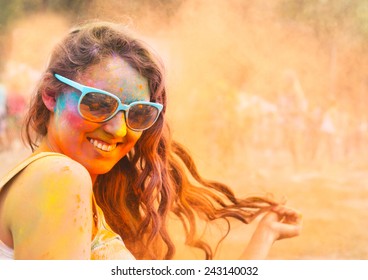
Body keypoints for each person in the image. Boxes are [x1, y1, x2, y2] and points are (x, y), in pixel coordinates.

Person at [0, 21, 302, 260]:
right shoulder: (59, 178)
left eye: (139, 113)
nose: (118, 130)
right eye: (98, 103)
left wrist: (264, 237)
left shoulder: (57, 183)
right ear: (51, 95)